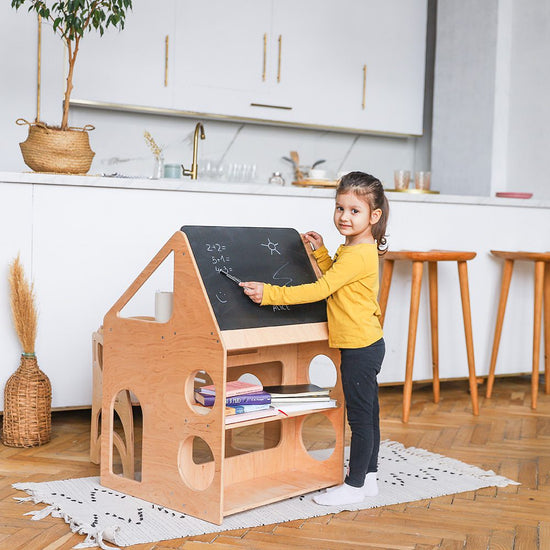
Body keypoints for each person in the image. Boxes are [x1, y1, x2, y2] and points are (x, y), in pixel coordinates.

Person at [239, 171, 389, 506]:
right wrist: (321, 253)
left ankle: (354, 486)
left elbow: (322, 289)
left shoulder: (359, 254)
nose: (344, 217)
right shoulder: (354, 249)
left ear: (374, 216)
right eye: (340, 208)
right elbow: (336, 275)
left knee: (361, 419)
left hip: (360, 347)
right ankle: (370, 479)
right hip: (365, 342)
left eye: (354, 211)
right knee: (370, 413)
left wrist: (269, 294)